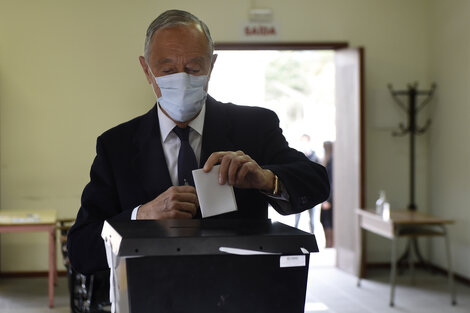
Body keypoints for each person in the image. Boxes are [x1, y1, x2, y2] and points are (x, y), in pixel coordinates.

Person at [67, 9, 330, 275]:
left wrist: (266, 179)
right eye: (167, 70)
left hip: (239, 290)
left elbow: (317, 183)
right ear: (147, 70)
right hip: (151, 295)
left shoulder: (254, 127)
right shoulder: (117, 146)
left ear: (211, 66)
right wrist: (140, 216)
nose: (181, 79)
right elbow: (81, 249)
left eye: (193, 68)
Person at [294, 134, 319, 234]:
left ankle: (313, 236)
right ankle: (294, 238)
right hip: (299, 193)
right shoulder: (297, 157)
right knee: (296, 219)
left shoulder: (315, 157)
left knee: (312, 220)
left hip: (312, 193)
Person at [320, 141, 334, 248]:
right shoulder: (328, 160)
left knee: (328, 221)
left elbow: (332, 182)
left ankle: (330, 245)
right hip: (326, 197)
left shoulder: (332, 162)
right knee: (324, 221)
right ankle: (328, 244)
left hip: (329, 199)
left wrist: (328, 200)